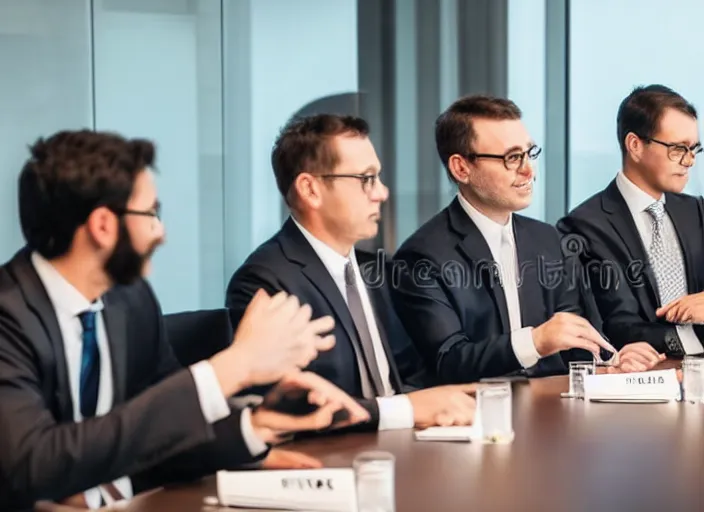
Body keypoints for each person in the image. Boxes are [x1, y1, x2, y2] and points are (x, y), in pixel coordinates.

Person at [0, 130, 370, 510]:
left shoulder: (129, 300)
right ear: (103, 226)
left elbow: (159, 429)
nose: (160, 232)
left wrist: (252, 426)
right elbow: (33, 465)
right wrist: (233, 367)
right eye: (150, 214)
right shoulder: (7, 315)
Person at [226, 114, 476, 432]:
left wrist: (440, 405)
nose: (382, 193)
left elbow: (411, 371)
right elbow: (287, 410)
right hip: (333, 462)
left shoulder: (378, 270)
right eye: (366, 179)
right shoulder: (265, 283)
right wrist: (407, 410)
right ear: (310, 189)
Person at [390, 94, 664, 384]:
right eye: (511, 158)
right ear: (461, 168)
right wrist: (534, 341)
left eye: (529, 153)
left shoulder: (548, 239)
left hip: (552, 410)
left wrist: (609, 361)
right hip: (477, 418)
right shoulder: (421, 257)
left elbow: (572, 342)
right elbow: (449, 361)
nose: (528, 170)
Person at [558, 84, 704, 356]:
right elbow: (613, 325)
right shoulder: (582, 227)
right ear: (635, 145)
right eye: (678, 148)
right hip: (635, 380)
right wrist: (694, 342)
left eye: (694, 148)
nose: (689, 161)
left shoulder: (698, 212)